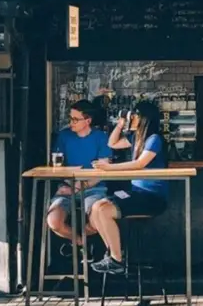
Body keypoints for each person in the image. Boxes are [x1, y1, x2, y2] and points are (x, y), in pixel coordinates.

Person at [89, 101, 168, 274]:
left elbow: (140, 164)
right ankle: (112, 254)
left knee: (103, 210)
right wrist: (120, 124)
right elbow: (112, 143)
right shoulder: (136, 138)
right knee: (96, 208)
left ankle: (117, 259)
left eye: (134, 115)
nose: (131, 117)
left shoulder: (154, 139)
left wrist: (109, 168)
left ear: (143, 118)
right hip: (136, 194)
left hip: (152, 197)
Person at [46, 99, 113, 259]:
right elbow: (57, 166)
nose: (71, 123)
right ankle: (81, 242)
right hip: (67, 185)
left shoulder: (101, 137)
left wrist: (77, 187)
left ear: (88, 120)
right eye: (70, 118)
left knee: (98, 219)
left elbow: (104, 170)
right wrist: (68, 184)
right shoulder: (64, 136)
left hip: (93, 188)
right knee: (53, 221)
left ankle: (80, 243)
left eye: (75, 119)